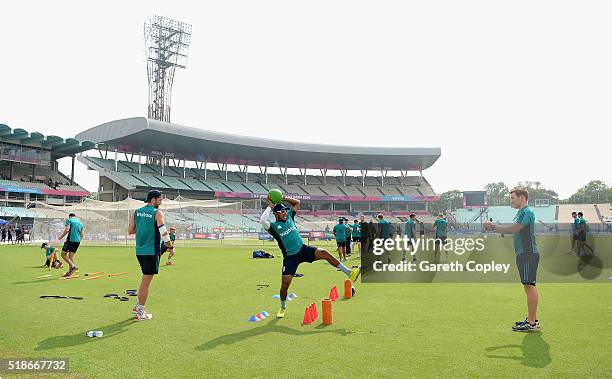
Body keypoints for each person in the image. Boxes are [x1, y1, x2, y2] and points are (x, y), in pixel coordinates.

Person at [260, 195, 360, 318]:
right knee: (285, 285)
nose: (285, 213)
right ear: (275, 214)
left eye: (286, 211)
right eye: (282, 212)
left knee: (325, 253)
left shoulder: (290, 217)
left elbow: (297, 202)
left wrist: (282, 198)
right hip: (290, 257)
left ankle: (349, 272)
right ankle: (282, 307)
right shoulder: (274, 227)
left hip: (303, 249)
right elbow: (263, 221)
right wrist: (270, 206)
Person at [484, 187, 540, 332]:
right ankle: (531, 319)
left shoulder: (527, 211)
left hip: (528, 253)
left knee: (529, 286)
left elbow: (515, 229)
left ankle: (532, 323)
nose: (511, 201)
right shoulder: (521, 212)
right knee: (528, 286)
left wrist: (493, 227)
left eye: (512, 198)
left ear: (522, 198)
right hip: (523, 253)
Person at [128, 190, 175, 321]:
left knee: (144, 280)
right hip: (151, 251)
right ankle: (140, 312)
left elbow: (130, 230)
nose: (160, 202)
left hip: (140, 251)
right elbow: (164, 233)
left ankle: (138, 306)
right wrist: (170, 247)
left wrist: (145, 227)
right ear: (154, 199)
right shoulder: (157, 212)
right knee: (146, 283)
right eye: (160, 200)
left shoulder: (137, 212)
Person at [57, 212, 84, 277]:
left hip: (70, 241)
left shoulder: (69, 220)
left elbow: (67, 230)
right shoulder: (80, 223)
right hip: (77, 241)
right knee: (71, 256)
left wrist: (60, 237)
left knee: (63, 254)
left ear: (69, 216)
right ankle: (70, 272)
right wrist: (79, 241)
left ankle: (73, 267)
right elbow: (82, 234)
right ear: (75, 216)